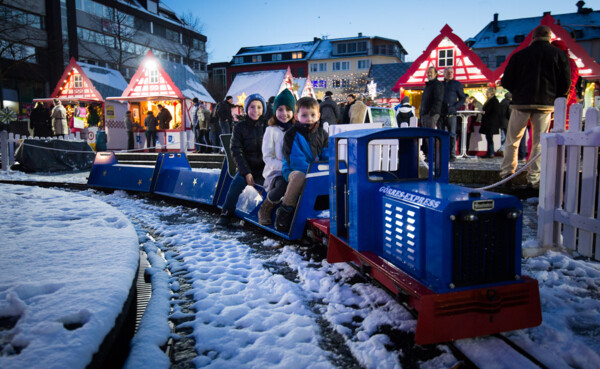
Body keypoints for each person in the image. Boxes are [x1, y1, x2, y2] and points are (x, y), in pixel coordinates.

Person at [499, 25, 571, 188]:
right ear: (549, 37)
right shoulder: (559, 55)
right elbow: (565, 82)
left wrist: (517, 91)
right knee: (539, 142)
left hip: (521, 102)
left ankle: (507, 175)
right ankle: (534, 178)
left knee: (513, 140)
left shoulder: (519, 55)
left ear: (533, 37)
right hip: (545, 103)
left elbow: (506, 81)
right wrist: (555, 97)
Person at [275, 97, 329, 232]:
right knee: (299, 177)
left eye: (313, 115)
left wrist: (326, 168)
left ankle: (325, 209)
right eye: (304, 115)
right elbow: (296, 160)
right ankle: (286, 209)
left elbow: (327, 153)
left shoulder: (322, 133)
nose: (309, 118)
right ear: (296, 116)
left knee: (329, 177)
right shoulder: (291, 134)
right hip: (293, 169)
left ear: (319, 115)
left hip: (315, 170)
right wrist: (314, 174)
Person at [216, 94, 267, 226]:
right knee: (235, 187)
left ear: (263, 109)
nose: (255, 110)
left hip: (264, 169)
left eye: (259, 107)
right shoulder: (240, 127)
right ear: (246, 109)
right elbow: (236, 150)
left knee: (270, 189)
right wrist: (246, 172)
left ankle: (267, 214)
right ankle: (226, 213)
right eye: (252, 107)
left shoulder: (267, 126)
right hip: (247, 167)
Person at [258, 89, 296, 225]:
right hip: (276, 171)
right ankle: (266, 207)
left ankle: (291, 211)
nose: (284, 113)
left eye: (288, 109)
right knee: (283, 185)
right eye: (280, 109)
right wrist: (285, 167)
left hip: (295, 169)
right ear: (275, 111)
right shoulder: (271, 130)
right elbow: (267, 157)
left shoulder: (296, 129)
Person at [551, 39, 580, 129]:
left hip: (564, 104)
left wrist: (561, 103)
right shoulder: (554, 61)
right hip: (555, 103)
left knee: (562, 131)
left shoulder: (569, 63)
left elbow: (570, 86)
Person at [441, 67, 465, 160]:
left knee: (452, 134)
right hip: (441, 113)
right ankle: (442, 153)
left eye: (451, 72)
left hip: (451, 113)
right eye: (448, 72)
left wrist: (455, 107)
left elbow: (462, 98)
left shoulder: (457, 84)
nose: (450, 74)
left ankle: (452, 154)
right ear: (444, 74)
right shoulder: (440, 84)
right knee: (441, 134)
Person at [419, 66, 444, 157]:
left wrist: (432, 113)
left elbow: (438, 99)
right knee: (426, 136)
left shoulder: (437, 85)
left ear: (436, 74)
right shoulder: (428, 86)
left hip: (431, 114)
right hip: (425, 114)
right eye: (428, 72)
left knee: (430, 135)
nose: (429, 74)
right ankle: (429, 154)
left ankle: (432, 155)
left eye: (431, 72)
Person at [480, 87, 501, 158]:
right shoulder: (492, 100)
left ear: (491, 93)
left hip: (490, 123)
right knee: (489, 138)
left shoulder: (493, 101)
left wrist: (485, 113)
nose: (486, 94)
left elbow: (493, 111)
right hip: (490, 123)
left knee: (489, 138)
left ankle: (491, 152)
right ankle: (489, 152)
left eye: (487, 92)